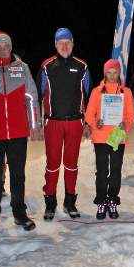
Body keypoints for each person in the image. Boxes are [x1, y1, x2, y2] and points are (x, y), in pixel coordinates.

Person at [0, 31, 41, 232]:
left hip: (17, 132)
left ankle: (19, 213)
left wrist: (34, 125)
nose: (2, 49)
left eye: (6, 46)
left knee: (18, 175)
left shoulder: (21, 68)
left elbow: (31, 97)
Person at [38, 28, 91, 220]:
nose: (65, 46)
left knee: (71, 164)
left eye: (68, 42)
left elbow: (88, 96)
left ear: (73, 44)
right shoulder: (47, 66)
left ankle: (70, 202)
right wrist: (38, 122)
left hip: (75, 122)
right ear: (55, 45)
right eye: (61, 43)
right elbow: (39, 94)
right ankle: (50, 201)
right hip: (53, 122)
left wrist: (88, 123)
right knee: (52, 164)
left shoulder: (82, 66)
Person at [85, 59, 134, 219]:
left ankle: (112, 200)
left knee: (115, 171)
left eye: (115, 72)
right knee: (101, 172)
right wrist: (95, 123)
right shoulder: (96, 91)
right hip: (100, 137)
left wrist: (124, 125)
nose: (112, 76)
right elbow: (88, 115)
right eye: (109, 72)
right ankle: (101, 201)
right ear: (105, 73)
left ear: (119, 73)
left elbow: (130, 116)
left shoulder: (126, 92)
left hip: (117, 137)